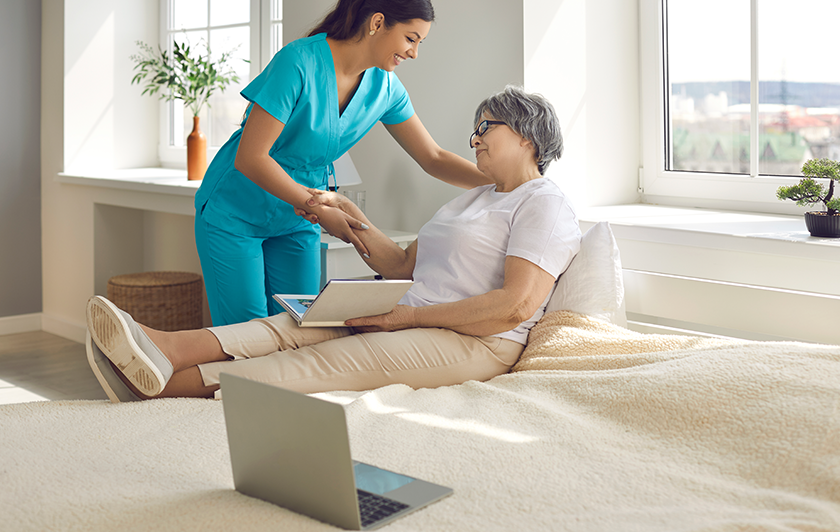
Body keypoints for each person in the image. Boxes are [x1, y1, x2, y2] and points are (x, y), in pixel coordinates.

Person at [86, 87, 581, 402]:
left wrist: (408, 318)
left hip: (477, 341)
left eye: (486, 127)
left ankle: (156, 389)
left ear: (527, 136)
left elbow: (515, 306)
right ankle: (163, 346)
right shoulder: (473, 198)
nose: (474, 139)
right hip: (412, 311)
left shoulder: (544, 202)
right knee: (293, 324)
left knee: (315, 361)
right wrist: (350, 213)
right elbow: (402, 265)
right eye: (475, 130)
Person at [194, 0, 492, 327]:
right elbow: (251, 157)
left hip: (297, 219)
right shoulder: (298, 62)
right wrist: (317, 208)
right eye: (411, 39)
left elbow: (433, 157)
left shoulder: (386, 89)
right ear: (378, 23)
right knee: (244, 336)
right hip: (237, 209)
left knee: (301, 329)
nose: (414, 53)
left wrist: (508, 183)